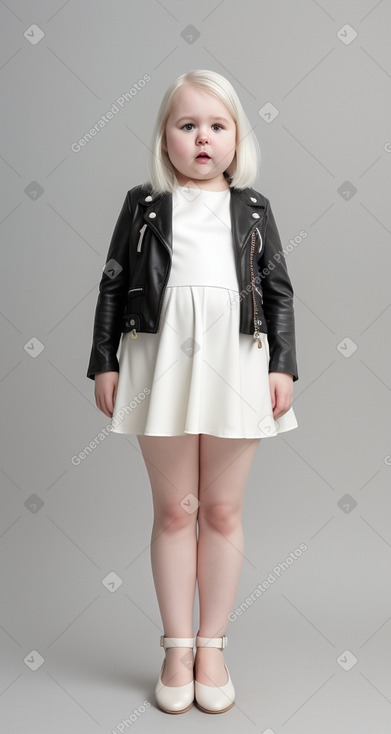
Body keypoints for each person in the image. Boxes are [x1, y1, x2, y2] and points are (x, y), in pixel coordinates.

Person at [86, 69, 299, 715]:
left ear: (236, 137)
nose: (201, 137)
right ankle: (177, 646)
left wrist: (283, 365)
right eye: (186, 125)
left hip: (238, 358)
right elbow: (113, 284)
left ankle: (213, 645)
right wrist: (103, 360)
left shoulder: (255, 208)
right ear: (165, 137)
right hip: (158, 360)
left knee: (223, 511)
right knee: (177, 509)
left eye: (216, 125)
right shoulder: (143, 203)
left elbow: (279, 290)